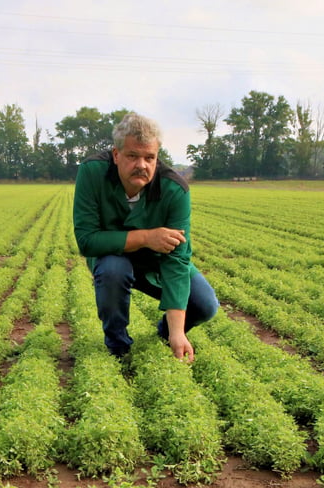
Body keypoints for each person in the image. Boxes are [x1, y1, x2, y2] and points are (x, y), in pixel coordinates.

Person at [73, 112, 219, 362]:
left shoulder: (174, 189)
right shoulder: (92, 173)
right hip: (113, 257)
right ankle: (118, 347)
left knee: (205, 305)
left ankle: (165, 337)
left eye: (149, 157)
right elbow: (87, 241)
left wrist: (176, 332)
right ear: (116, 155)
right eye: (132, 156)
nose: (142, 165)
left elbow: (177, 261)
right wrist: (146, 237)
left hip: (156, 261)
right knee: (112, 269)